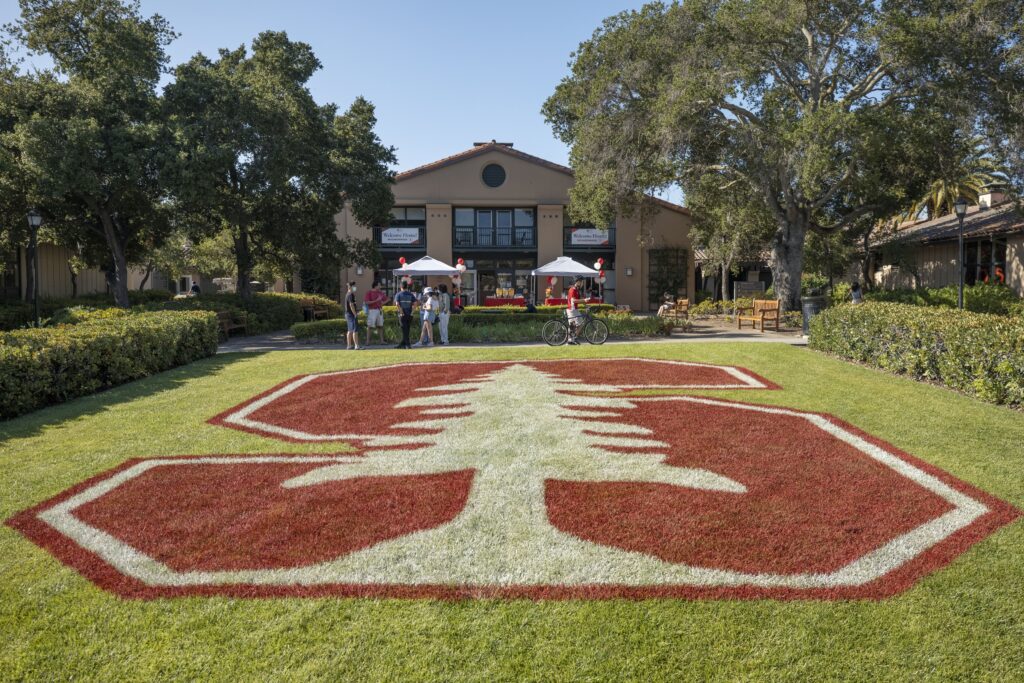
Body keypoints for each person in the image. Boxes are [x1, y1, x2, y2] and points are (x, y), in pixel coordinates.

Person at [393, 280, 418, 349]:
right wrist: (412, 312)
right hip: (409, 314)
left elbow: (397, 304)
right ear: (407, 286)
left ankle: (407, 344)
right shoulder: (411, 294)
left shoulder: (398, 294)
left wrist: (401, 312)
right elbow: (415, 303)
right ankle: (402, 344)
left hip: (402, 315)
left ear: (401, 287)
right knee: (407, 329)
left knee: (404, 330)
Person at [363, 281, 388, 346]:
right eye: (379, 285)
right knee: (370, 326)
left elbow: (388, 299)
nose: (380, 286)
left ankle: (382, 341)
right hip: (372, 311)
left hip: (379, 310)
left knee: (380, 326)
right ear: (375, 286)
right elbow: (367, 302)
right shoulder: (369, 293)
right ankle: (367, 342)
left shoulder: (380, 293)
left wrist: (383, 303)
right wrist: (376, 300)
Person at [344, 281, 363, 350]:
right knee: (355, 330)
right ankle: (356, 345)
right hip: (351, 314)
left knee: (350, 330)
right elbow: (351, 305)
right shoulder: (350, 295)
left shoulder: (348, 294)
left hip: (348, 314)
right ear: (351, 287)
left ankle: (349, 345)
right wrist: (355, 314)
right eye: (354, 286)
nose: (355, 287)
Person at [566, 277, 585, 345]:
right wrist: (584, 300)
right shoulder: (572, 290)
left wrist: (586, 305)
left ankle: (574, 338)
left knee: (581, 323)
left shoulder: (577, 290)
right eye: (581, 281)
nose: (582, 283)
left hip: (575, 309)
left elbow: (579, 300)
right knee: (572, 325)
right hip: (571, 309)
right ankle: (570, 340)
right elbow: (574, 300)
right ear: (577, 282)